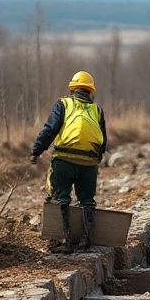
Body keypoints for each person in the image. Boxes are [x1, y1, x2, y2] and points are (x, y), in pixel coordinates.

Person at [29, 71, 108, 252]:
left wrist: (37, 150)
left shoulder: (63, 104)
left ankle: (64, 240)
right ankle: (86, 240)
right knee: (87, 200)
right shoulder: (97, 110)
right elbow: (103, 139)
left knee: (59, 197)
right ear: (90, 92)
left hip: (64, 159)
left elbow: (50, 129)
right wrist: (97, 159)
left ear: (73, 89)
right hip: (89, 162)